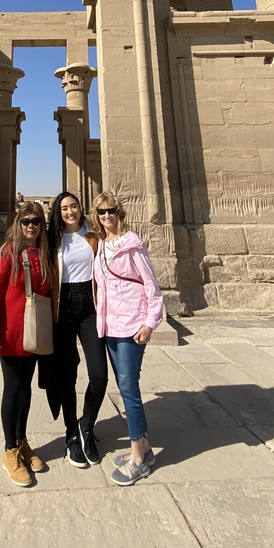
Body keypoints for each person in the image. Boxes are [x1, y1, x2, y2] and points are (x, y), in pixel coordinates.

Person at [91, 191, 163, 486]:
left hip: (132, 325)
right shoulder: (100, 245)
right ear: (96, 216)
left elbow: (151, 284)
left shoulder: (133, 244)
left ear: (119, 212)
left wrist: (150, 323)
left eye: (111, 211)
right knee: (125, 386)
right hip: (110, 326)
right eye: (101, 212)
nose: (106, 216)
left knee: (129, 390)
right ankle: (143, 447)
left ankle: (138, 459)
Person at [0, 201, 53, 487]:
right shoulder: (8, 252)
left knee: (25, 389)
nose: (30, 226)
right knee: (13, 388)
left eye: (35, 221)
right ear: (18, 223)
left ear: (42, 224)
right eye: (25, 221)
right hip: (12, 331)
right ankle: (9, 450)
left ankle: (22, 441)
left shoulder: (48, 254)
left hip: (34, 333)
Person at [47, 191, 108, 467]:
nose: (70, 211)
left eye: (73, 206)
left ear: (81, 207)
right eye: (64, 208)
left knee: (99, 374)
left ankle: (87, 424)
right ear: (58, 213)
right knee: (66, 374)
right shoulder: (53, 238)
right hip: (63, 308)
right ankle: (72, 434)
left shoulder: (94, 235)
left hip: (89, 307)